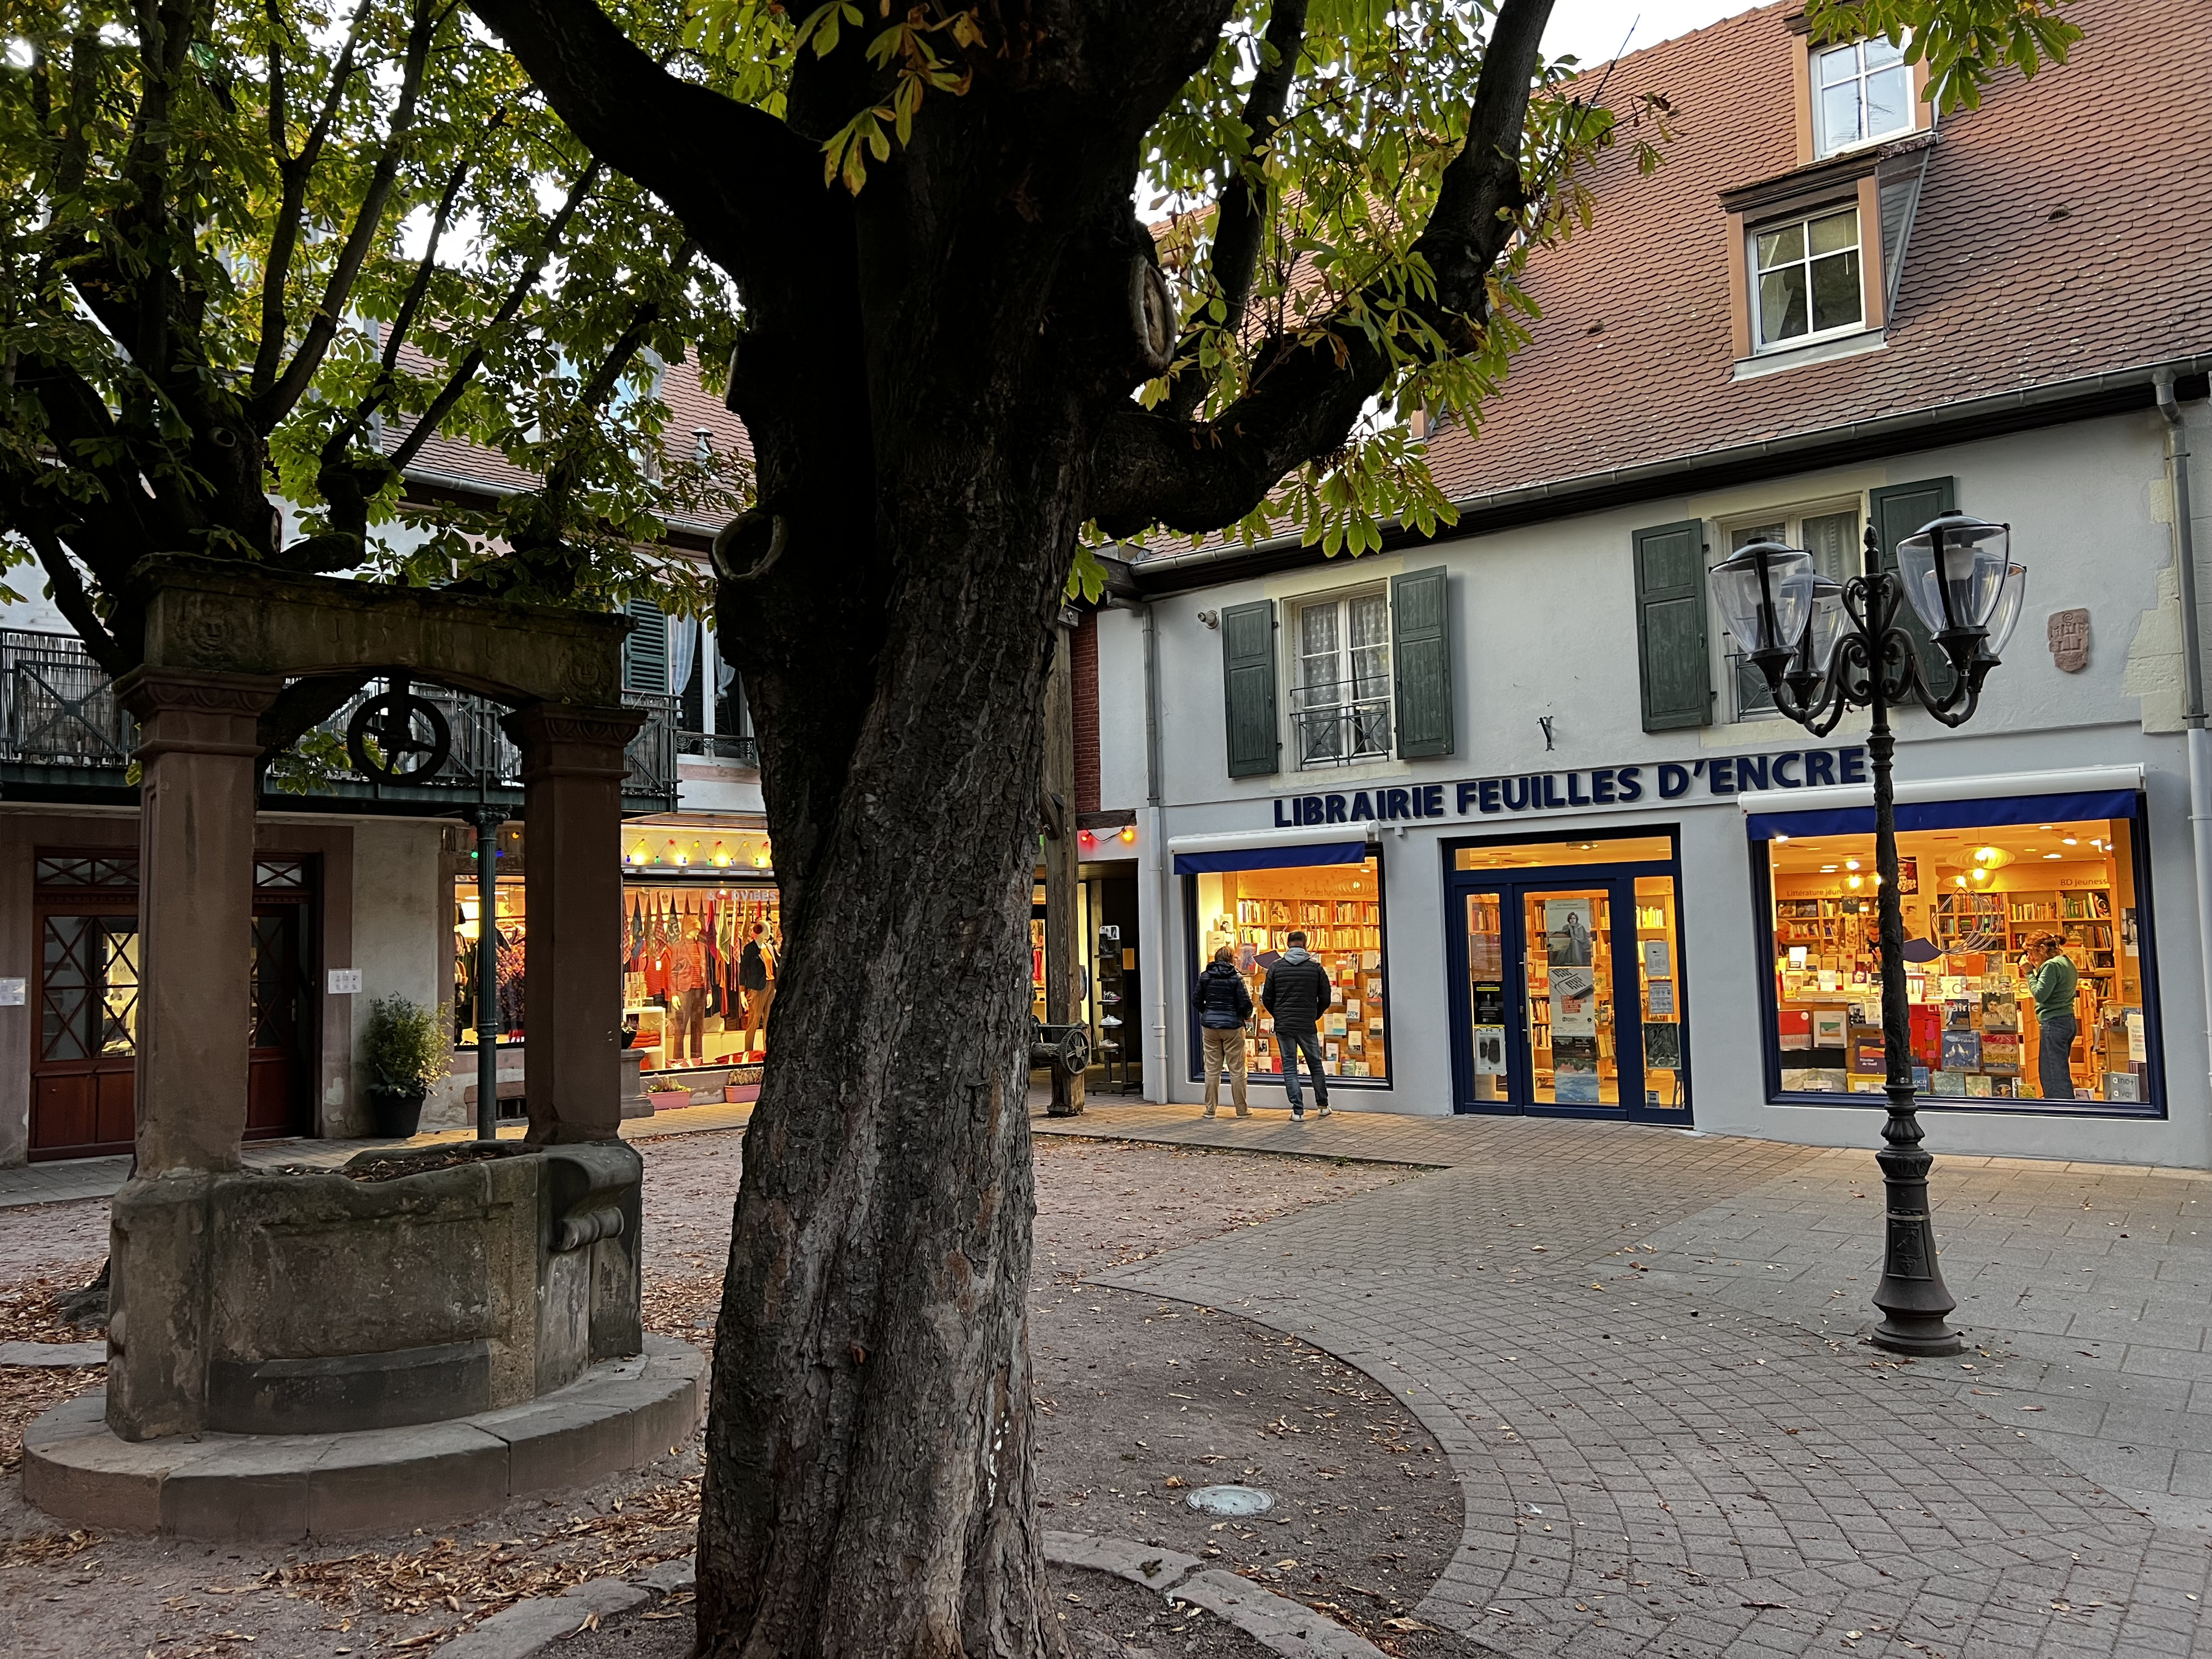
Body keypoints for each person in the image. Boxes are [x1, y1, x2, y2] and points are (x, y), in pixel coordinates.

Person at [1262, 930, 1335, 1120]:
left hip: (1284, 1026)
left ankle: (1298, 1111)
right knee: (1315, 1065)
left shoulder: (1276, 968)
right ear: (1305, 944)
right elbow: (1326, 998)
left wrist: (1279, 1015)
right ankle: (1323, 1105)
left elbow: (1267, 998)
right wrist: (1314, 1015)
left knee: (1289, 1067)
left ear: (1288, 944)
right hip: (1307, 1024)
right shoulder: (1316, 969)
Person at [1191, 945, 1254, 1118]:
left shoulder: (1205, 977)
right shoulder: (1236, 977)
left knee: (1212, 1070)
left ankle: (1210, 1110)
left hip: (1210, 1028)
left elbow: (1196, 1000)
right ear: (1231, 959)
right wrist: (1245, 1016)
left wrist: (1209, 1012)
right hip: (1233, 1027)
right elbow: (1245, 1003)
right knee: (1237, 1070)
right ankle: (1241, 1110)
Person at [2023, 932, 2079, 1100]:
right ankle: (2067, 1106)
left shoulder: (2051, 966)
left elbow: (2040, 994)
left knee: (2052, 1074)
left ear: (2042, 949)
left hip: (2054, 1023)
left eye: (2031, 952)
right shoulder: (2066, 962)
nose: (2029, 957)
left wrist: (2029, 972)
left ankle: (2060, 1111)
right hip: (2067, 1019)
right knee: (2060, 1069)